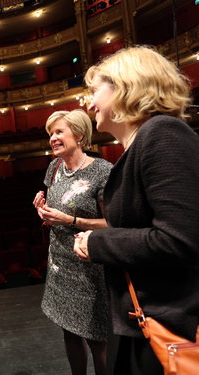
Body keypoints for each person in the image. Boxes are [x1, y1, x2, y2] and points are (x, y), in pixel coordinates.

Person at [74, 46, 199, 375]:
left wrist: (97, 243)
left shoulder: (163, 135)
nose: (88, 103)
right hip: (141, 319)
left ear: (125, 87)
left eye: (94, 91)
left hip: (171, 324)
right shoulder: (141, 144)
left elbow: (179, 239)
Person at [32, 109, 112, 375]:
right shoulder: (54, 167)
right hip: (60, 265)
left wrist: (70, 220)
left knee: (95, 336)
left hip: (89, 267)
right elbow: (54, 209)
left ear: (79, 135)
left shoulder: (102, 171)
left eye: (58, 132)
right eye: (50, 134)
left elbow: (112, 224)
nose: (52, 138)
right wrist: (44, 212)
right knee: (68, 331)